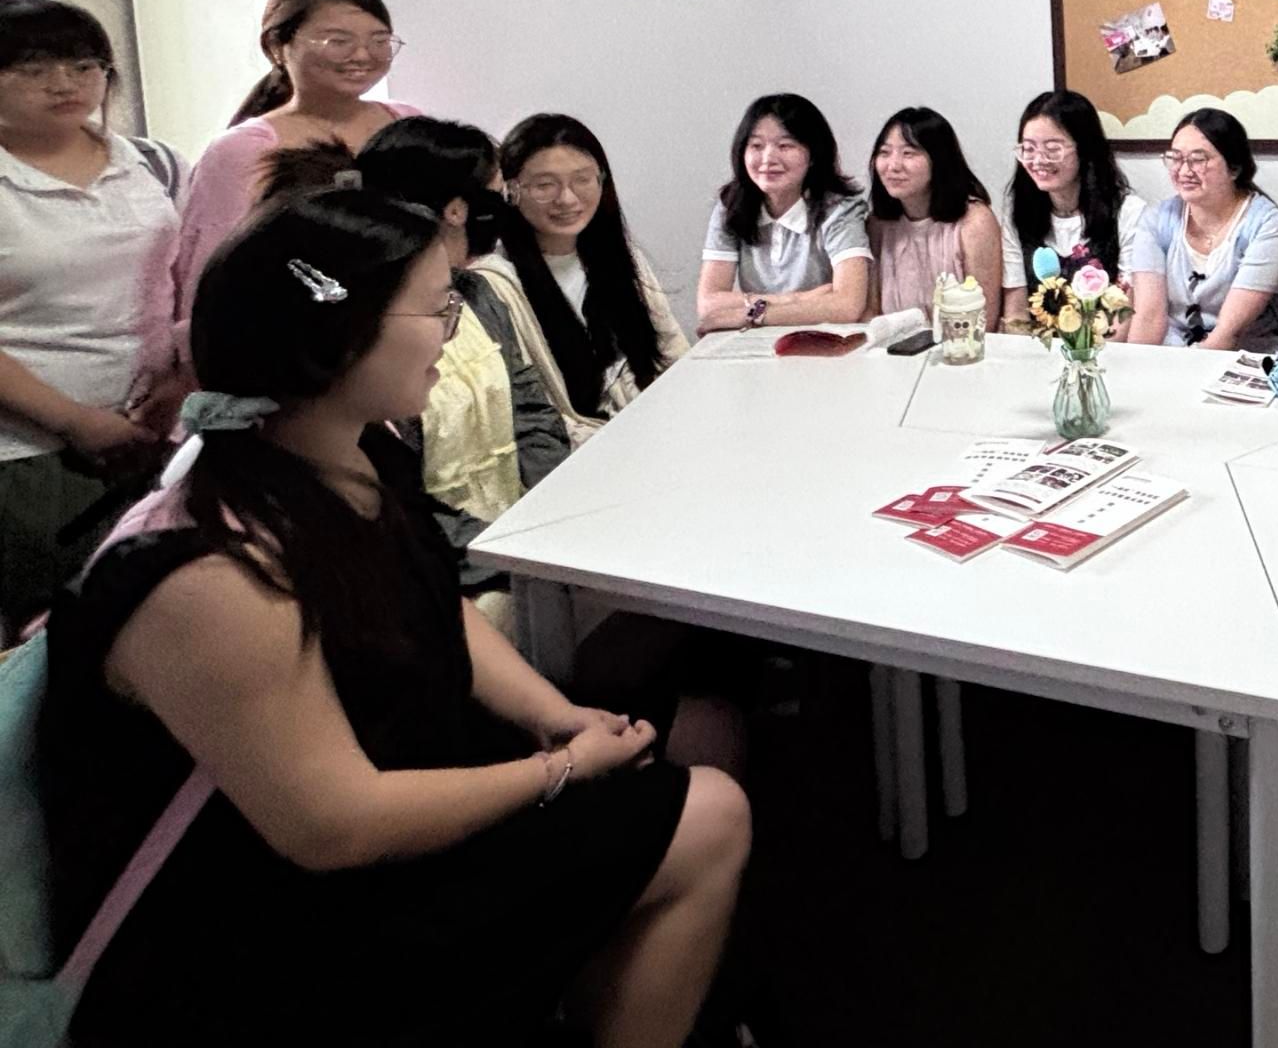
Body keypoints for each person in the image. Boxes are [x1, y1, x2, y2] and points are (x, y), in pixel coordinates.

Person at [38, 186, 749, 1047]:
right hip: (266, 933)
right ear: (337, 336)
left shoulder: (353, 451)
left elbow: (430, 606)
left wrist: (556, 715)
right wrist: (559, 768)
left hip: (387, 812)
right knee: (709, 808)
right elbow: (334, 826)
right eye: (438, 307)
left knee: (702, 734)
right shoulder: (210, 572)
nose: (456, 329)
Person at [265, 119, 567, 532]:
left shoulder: (478, 291)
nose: (447, 329)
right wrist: (499, 547)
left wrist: (550, 508)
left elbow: (529, 405)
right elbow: (405, 498)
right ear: (456, 210)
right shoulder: (365, 327)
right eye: (437, 311)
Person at [0, 0, 179, 629]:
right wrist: (76, 421)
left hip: (155, 431)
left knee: (152, 619)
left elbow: (187, 280)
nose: (64, 84)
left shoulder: (153, 163)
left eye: (84, 66)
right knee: (49, 633)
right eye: (33, 68)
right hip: (26, 452)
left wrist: (179, 382)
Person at [170, 0, 418, 345]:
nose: (363, 55)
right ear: (276, 46)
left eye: (379, 41)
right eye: (339, 41)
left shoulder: (407, 122)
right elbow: (211, 270)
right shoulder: (244, 149)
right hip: (298, 339)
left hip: (413, 324)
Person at [485, 112, 689, 440]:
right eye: (545, 185)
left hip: (652, 431)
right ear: (511, 190)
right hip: (576, 451)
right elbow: (524, 411)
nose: (567, 198)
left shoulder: (622, 259)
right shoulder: (497, 282)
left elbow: (671, 352)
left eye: (582, 180)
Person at [696, 93, 871, 331]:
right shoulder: (730, 207)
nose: (768, 158)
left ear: (813, 155)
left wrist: (752, 314)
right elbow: (708, 304)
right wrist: (798, 299)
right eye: (756, 146)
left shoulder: (840, 209)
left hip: (824, 340)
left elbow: (847, 305)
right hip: (753, 342)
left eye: (785, 146)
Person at [1128, 111, 1278, 351]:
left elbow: (1229, 333)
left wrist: (1187, 370)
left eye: (1198, 159)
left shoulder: (1267, 225)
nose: (1184, 171)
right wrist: (1136, 366)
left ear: (1234, 168)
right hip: (1170, 356)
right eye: (1175, 158)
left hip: (1244, 357)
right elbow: (1148, 318)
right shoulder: (1156, 220)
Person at [999, 90, 1147, 328]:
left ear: (1085, 148)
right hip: (1038, 345)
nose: (1038, 161)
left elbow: (1125, 314)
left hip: (1106, 345)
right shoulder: (1017, 210)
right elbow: (1016, 311)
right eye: (1029, 149)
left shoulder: (1129, 212)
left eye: (1052, 149)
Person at [865, 105, 1003, 329]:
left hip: (961, 347)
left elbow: (984, 322)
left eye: (908, 153)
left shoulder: (975, 222)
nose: (893, 165)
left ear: (939, 160)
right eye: (884, 152)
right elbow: (870, 314)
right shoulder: (878, 225)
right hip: (894, 348)